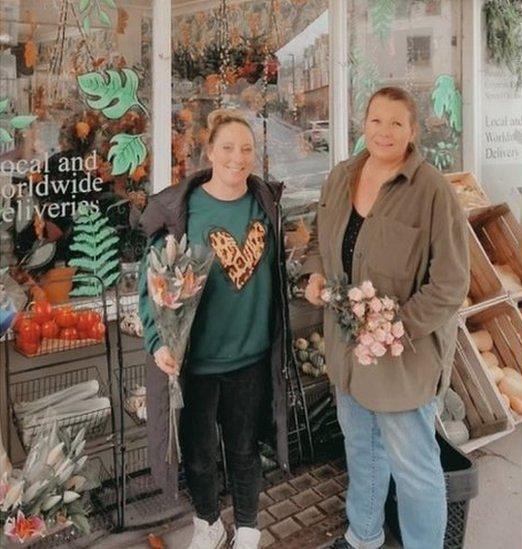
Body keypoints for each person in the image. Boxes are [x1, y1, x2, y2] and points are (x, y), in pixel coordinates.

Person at [303, 87, 469, 549]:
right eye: (377, 120)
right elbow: (320, 244)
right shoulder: (340, 178)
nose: (384, 131)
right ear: (364, 124)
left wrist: (398, 326)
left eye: (397, 123)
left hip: (403, 358)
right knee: (361, 450)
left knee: (414, 467)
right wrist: (315, 277)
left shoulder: (431, 190)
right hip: (346, 351)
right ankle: (364, 537)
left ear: (413, 131)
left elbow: (452, 283)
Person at [138, 109, 291, 549]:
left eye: (246, 149)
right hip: (198, 360)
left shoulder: (265, 205)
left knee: (244, 449)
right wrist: (156, 340)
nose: (237, 157)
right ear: (209, 152)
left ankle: (246, 527)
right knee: (200, 455)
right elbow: (150, 284)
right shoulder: (180, 209)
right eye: (227, 147)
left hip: (250, 358)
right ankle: (208, 522)